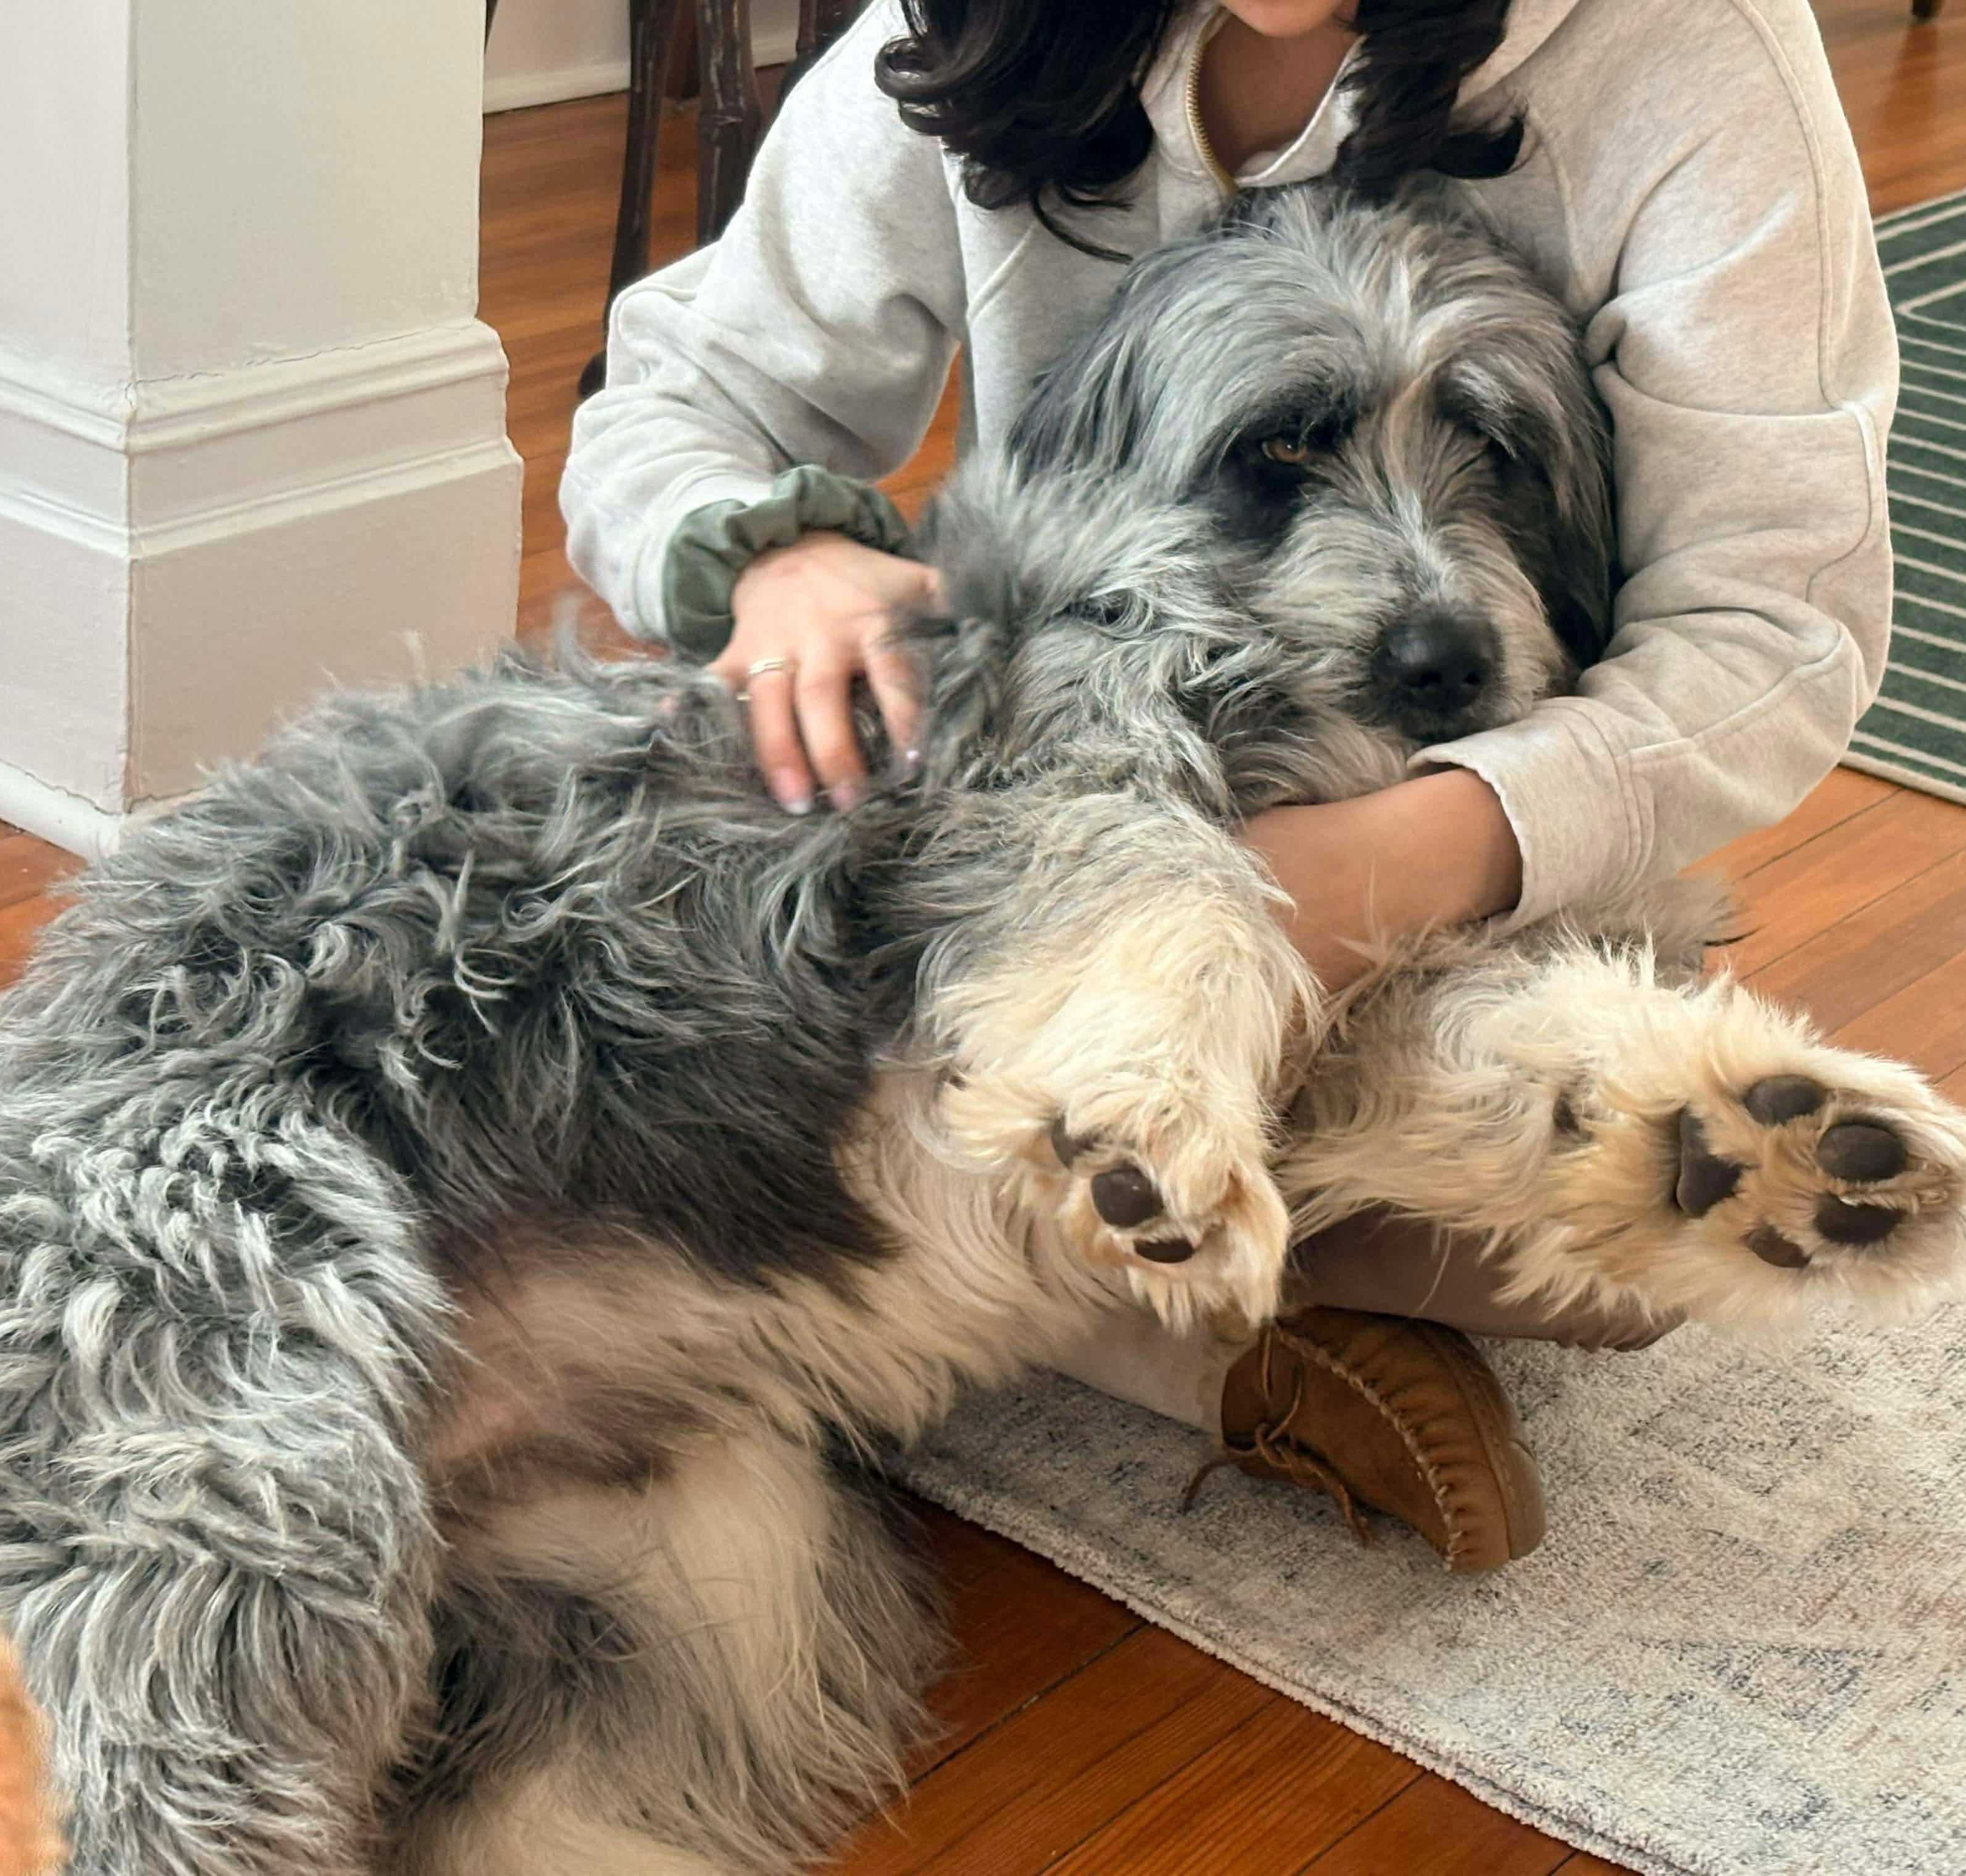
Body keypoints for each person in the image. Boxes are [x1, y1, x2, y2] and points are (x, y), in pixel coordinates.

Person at [561, 0, 1897, 1571]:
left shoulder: (1692, 50)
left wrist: (1385, 872)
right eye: (1287, 457)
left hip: (1432, 829)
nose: (1425, 598)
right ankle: (1192, 1325)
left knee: (1609, 1261)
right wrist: (772, 550)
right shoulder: (962, 33)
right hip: (1080, 759)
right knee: (719, 997)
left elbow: (1774, 622)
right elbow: (674, 400)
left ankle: (1059, 1267)